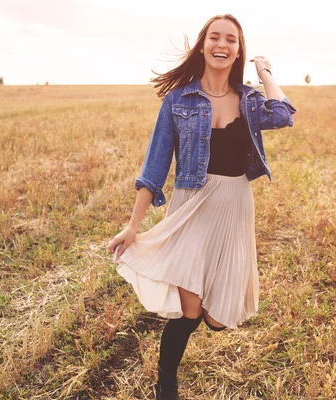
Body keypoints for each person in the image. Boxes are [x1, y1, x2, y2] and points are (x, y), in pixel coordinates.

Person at [107, 14, 296, 400]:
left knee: (217, 318)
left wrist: (265, 73)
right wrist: (132, 226)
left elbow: (284, 115)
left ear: (238, 50)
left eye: (231, 39)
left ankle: (203, 327)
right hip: (192, 204)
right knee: (189, 310)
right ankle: (166, 384)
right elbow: (155, 167)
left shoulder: (249, 99)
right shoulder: (178, 101)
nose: (222, 44)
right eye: (215, 37)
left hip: (234, 205)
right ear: (203, 45)